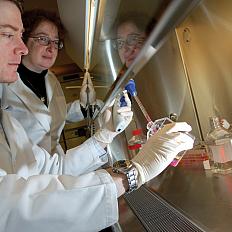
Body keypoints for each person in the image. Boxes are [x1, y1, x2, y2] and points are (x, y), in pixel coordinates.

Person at [0, 1, 194, 231]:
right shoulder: (9, 88)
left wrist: (104, 132)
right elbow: (13, 207)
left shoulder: (43, 87)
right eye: (6, 34)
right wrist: (132, 174)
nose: (21, 47)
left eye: (55, 42)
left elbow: (52, 168)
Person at [4, 9, 103, 157]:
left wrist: (83, 107)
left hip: (55, 164)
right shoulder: (5, 83)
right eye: (43, 39)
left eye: (56, 42)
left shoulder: (50, 78)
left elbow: (50, 116)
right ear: (24, 40)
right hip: (20, 172)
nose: (51, 48)